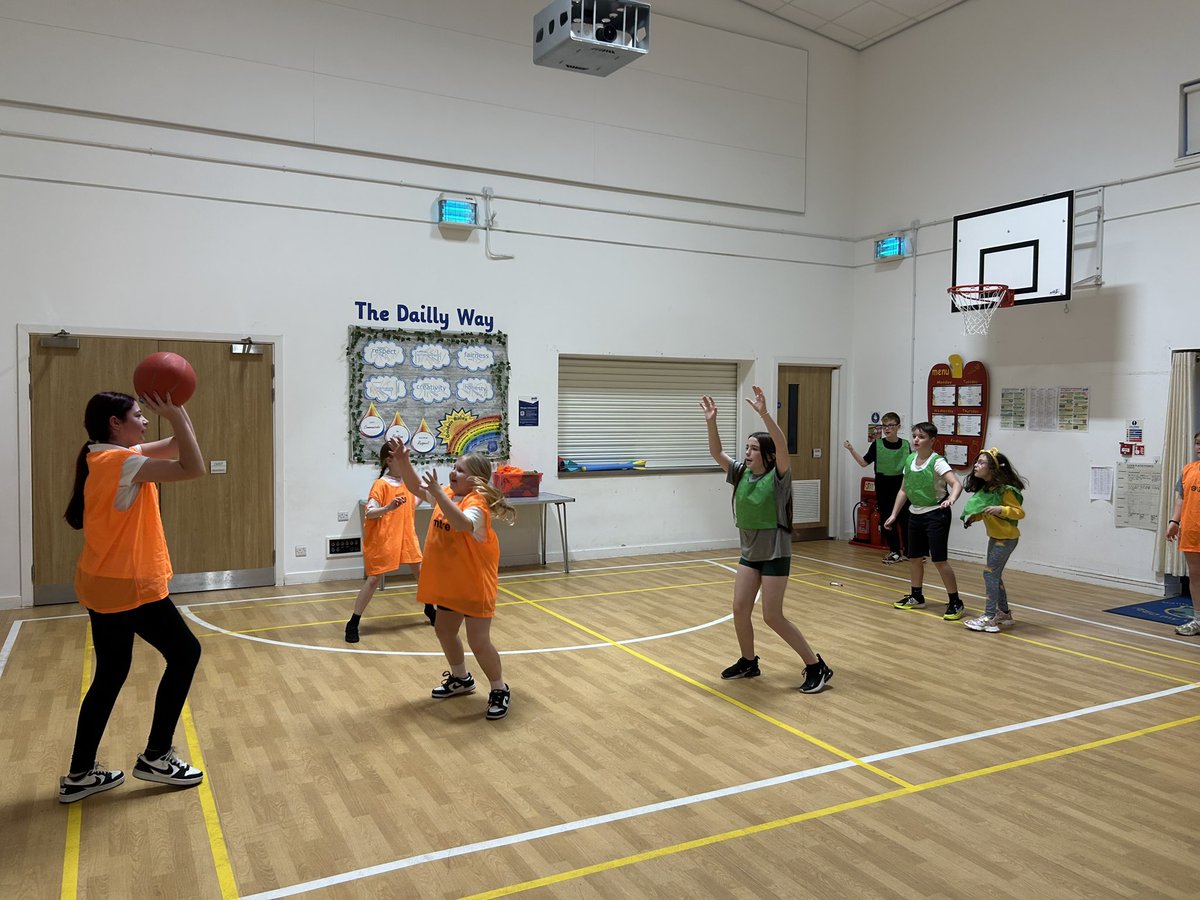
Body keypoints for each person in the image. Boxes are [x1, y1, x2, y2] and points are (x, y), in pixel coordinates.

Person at [58, 391, 206, 803]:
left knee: (110, 675)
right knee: (185, 653)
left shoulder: (101, 455)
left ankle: (80, 773)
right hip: (129, 585)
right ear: (114, 423)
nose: (145, 421)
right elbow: (193, 466)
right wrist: (174, 414)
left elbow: (180, 442)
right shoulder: (123, 462)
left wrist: (179, 410)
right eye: (138, 416)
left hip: (103, 582)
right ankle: (156, 756)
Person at [701, 386, 833, 693]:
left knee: (772, 616)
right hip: (750, 553)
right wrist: (711, 421)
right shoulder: (740, 473)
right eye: (746, 448)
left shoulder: (778, 477)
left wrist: (764, 413)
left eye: (753, 449)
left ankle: (816, 665)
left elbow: (783, 447)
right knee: (739, 609)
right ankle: (749, 661)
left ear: (768, 455)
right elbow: (716, 453)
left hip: (775, 553)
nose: (746, 453)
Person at [392, 443, 517, 719]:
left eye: (460, 470)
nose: (453, 472)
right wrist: (403, 462)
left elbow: (461, 524)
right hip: (451, 583)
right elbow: (415, 488)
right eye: (454, 467)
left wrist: (438, 494)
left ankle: (499, 688)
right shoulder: (448, 494)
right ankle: (461, 679)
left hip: (474, 584)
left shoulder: (477, 505)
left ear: (474, 479)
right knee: (444, 631)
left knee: (479, 641)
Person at [345, 437, 433, 643]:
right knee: (374, 579)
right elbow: (371, 513)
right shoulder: (381, 484)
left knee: (421, 573)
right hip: (384, 539)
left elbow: (416, 501)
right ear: (388, 460)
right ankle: (353, 622)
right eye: (399, 457)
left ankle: (430, 608)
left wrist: (431, 491)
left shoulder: (409, 484)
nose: (404, 460)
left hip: (406, 535)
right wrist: (388, 508)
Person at [884, 422, 965, 620]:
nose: (916, 440)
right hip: (915, 514)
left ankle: (955, 601)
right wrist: (894, 514)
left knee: (939, 560)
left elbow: (956, 484)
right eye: (914, 436)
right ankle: (916, 596)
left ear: (932, 441)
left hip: (936, 513)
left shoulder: (937, 462)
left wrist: (951, 498)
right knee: (914, 558)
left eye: (921, 437)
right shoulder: (910, 459)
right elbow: (904, 490)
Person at [960, 448, 1027, 632]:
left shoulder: (1006, 491)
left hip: (1006, 538)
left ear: (992, 469)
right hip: (995, 537)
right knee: (994, 575)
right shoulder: (987, 489)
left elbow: (1019, 513)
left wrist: (1002, 509)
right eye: (977, 462)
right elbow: (986, 510)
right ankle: (1004, 613)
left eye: (981, 463)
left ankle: (989, 617)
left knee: (990, 573)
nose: (976, 465)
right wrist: (975, 517)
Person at [843, 412, 911, 564]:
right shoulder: (877, 444)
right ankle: (894, 551)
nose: (887, 429)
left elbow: (912, 466)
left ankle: (909, 551)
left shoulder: (906, 445)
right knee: (888, 519)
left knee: (905, 518)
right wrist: (851, 449)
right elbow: (863, 463)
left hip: (902, 485)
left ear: (898, 427)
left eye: (891, 426)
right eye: (885, 426)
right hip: (884, 485)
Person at [1166, 430, 1200, 636]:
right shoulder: (1188, 470)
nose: (1199, 447)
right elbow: (1181, 499)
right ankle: (1198, 620)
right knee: (1195, 577)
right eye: (1197, 443)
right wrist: (1174, 522)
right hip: (1192, 532)